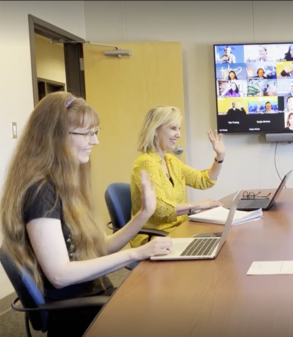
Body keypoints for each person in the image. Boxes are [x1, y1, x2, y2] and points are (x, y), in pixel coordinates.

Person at [0, 92, 173, 337]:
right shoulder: (41, 192)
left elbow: (99, 247)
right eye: (87, 133)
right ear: (55, 137)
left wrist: (143, 215)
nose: (95, 141)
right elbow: (59, 274)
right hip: (79, 315)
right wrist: (135, 253)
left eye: (95, 132)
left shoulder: (66, 185)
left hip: (95, 297)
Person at [130, 106, 225, 248]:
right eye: (173, 128)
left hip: (179, 230)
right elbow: (160, 209)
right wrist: (200, 205)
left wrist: (220, 156)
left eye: (179, 129)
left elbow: (203, 180)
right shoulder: (145, 163)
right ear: (155, 130)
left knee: (220, 241)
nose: (178, 134)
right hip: (155, 238)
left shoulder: (170, 160)